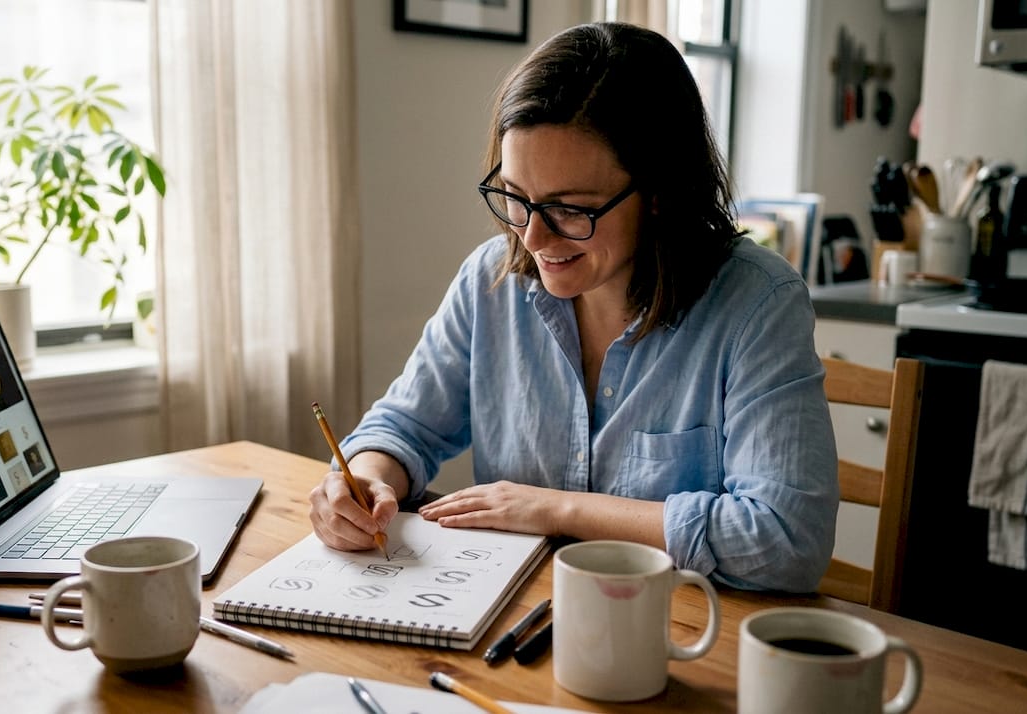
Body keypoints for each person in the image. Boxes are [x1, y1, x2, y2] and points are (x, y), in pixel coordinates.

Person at [308, 22, 837, 593]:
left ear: (659, 193)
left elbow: (787, 539)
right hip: (511, 620)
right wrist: (362, 479)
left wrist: (555, 509)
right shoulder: (491, 280)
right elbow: (404, 426)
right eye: (515, 197)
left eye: (569, 209)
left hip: (681, 636)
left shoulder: (758, 303)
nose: (532, 239)